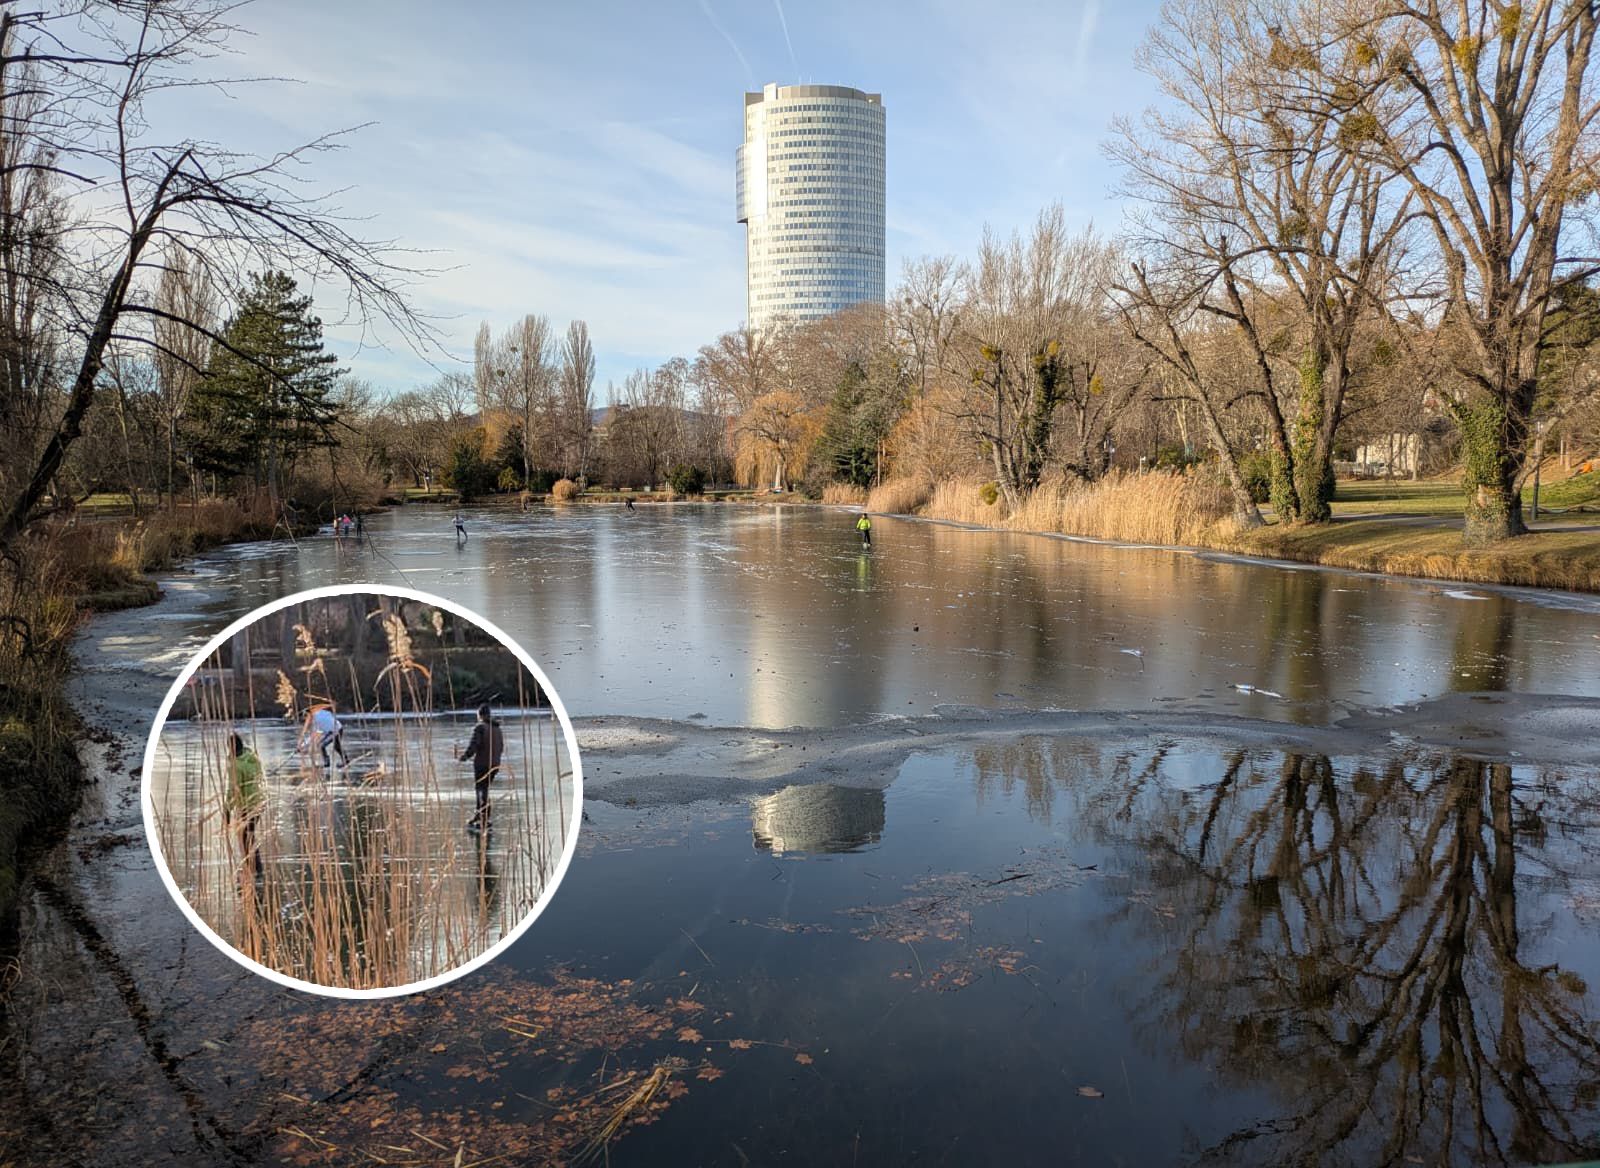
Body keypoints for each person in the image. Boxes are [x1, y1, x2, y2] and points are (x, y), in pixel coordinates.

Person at [225, 732, 266, 878]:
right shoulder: (252, 758)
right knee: (248, 835)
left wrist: (227, 810)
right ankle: (254, 868)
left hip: (248, 804)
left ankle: (255, 869)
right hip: (260, 800)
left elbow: (233, 790)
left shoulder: (236, 766)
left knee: (246, 836)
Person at [460, 703, 505, 833]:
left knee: (481, 790)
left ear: (480, 715)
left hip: (482, 765)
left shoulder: (480, 727)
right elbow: (501, 748)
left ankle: (483, 818)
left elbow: (474, 745)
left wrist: (465, 756)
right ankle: (481, 816)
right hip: (495, 764)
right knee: (485, 789)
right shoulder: (497, 729)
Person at [302, 704, 349, 770]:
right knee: (336, 746)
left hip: (335, 730)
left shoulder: (316, 721)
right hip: (338, 727)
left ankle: (327, 762)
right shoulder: (320, 712)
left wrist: (303, 746)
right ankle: (345, 760)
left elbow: (313, 736)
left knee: (321, 745)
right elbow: (329, 714)